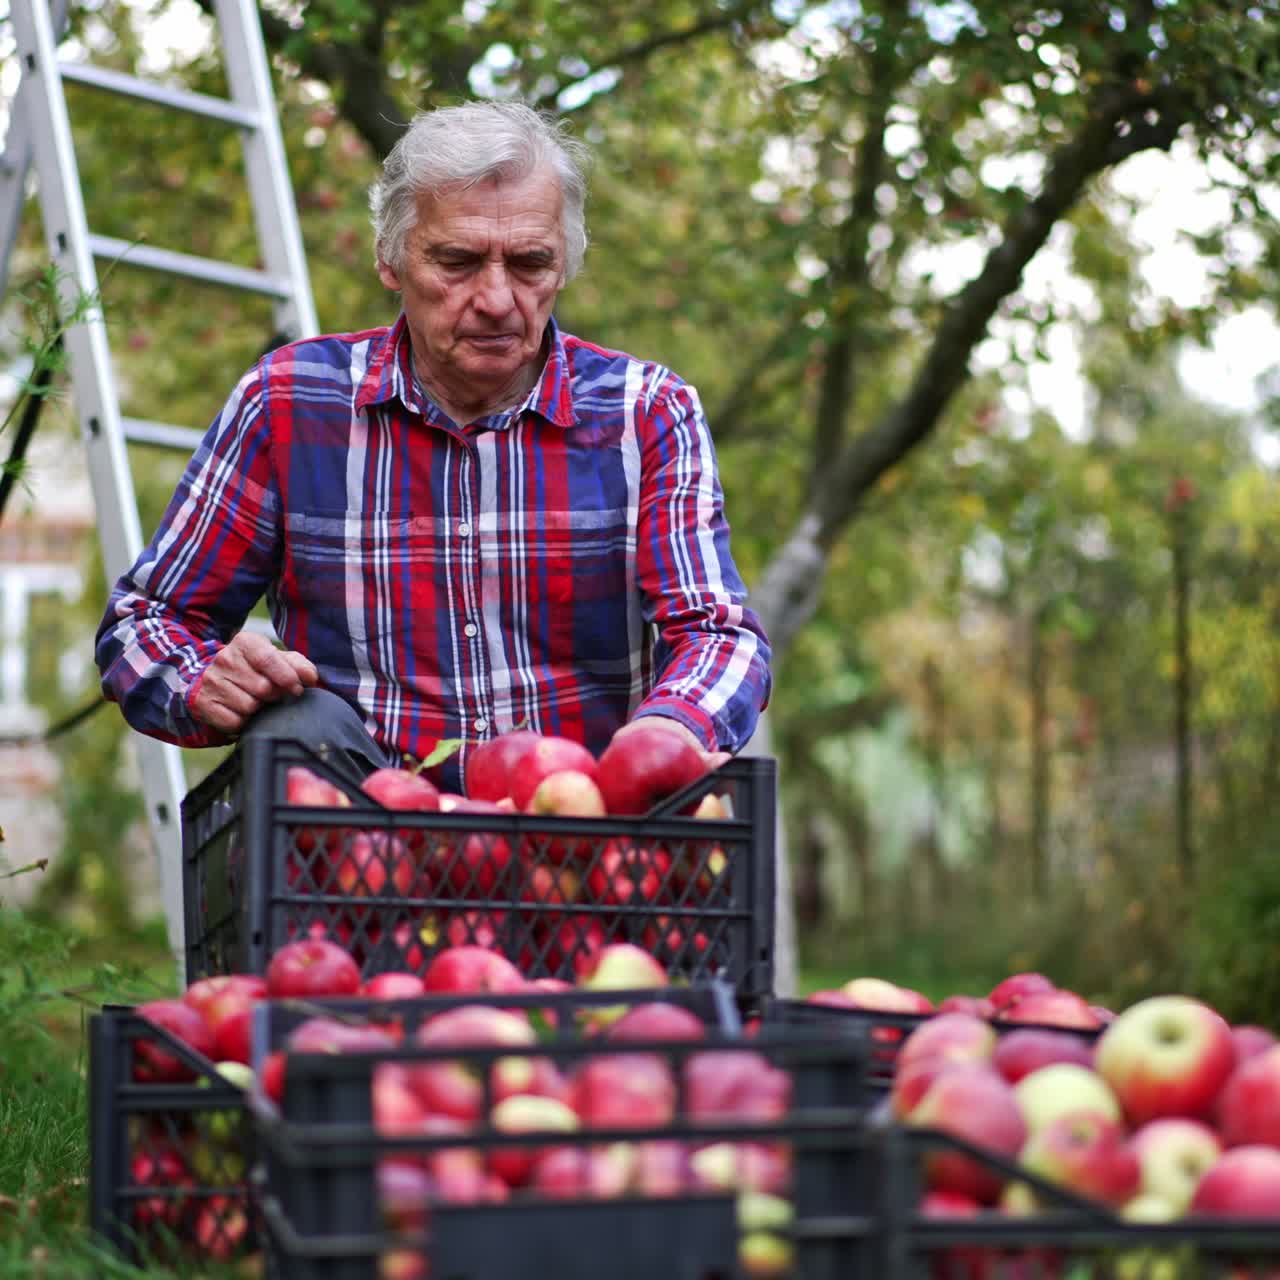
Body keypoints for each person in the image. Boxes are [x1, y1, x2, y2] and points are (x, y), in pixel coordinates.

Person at [95, 100, 771, 794]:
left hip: (581, 844)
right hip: (357, 847)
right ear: (391, 261)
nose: (497, 298)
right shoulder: (288, 404)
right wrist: (203, 680)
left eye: (531, 263)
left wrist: (666, 732)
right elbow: (144, 625)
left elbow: (718, 635)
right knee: (295, 724)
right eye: (458, 260)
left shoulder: (649, 415)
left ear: (564, 263)